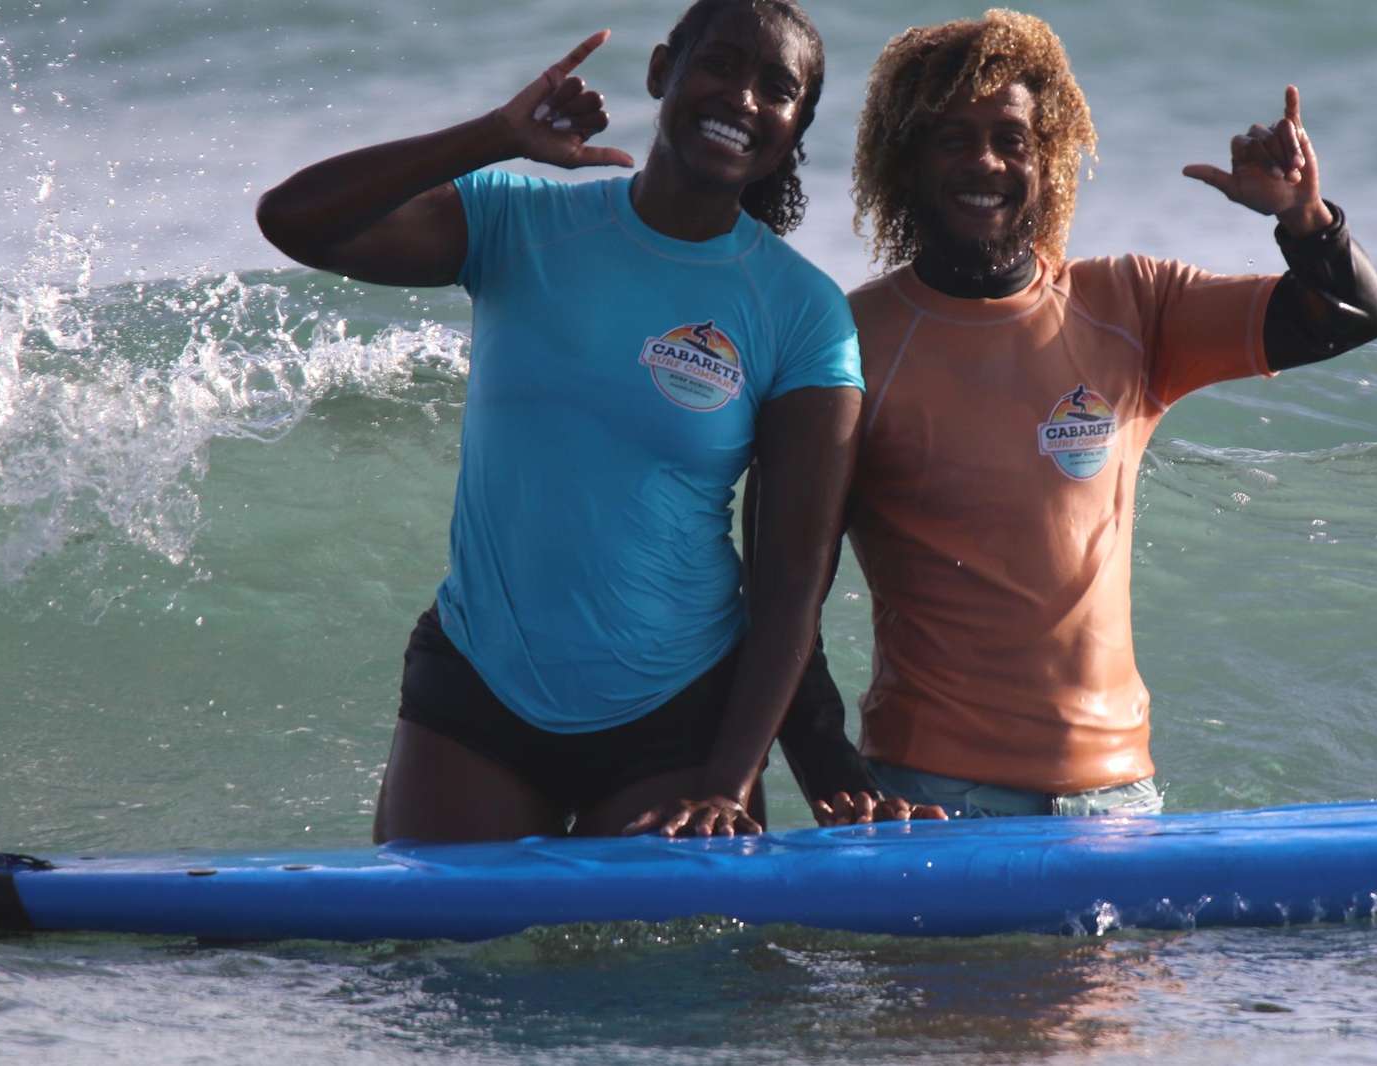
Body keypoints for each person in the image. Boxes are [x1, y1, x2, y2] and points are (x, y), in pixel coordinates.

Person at [255, 0, 929, 841]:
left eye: (777, 89)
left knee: (675, 975)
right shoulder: (517, 223)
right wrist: (496, 134)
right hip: (479, 690)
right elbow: (294, 221)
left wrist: (729, 782)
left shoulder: (800, 312)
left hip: (678, 717)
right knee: (437, 967)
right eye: (719, 64)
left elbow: (791, 590)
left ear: (794, 129)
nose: (743, 98)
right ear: (661, 73)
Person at [783, 9, 1377, 820]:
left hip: (1118, 800)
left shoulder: (1132, 306)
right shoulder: (852, 340)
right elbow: (786, 594)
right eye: (953, 139)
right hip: (933, 796)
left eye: (1011, 137)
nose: (985, 162)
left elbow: (1347, 314)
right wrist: (835, 771)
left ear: (1050, 155)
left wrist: (1301, 218)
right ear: (907, 160)